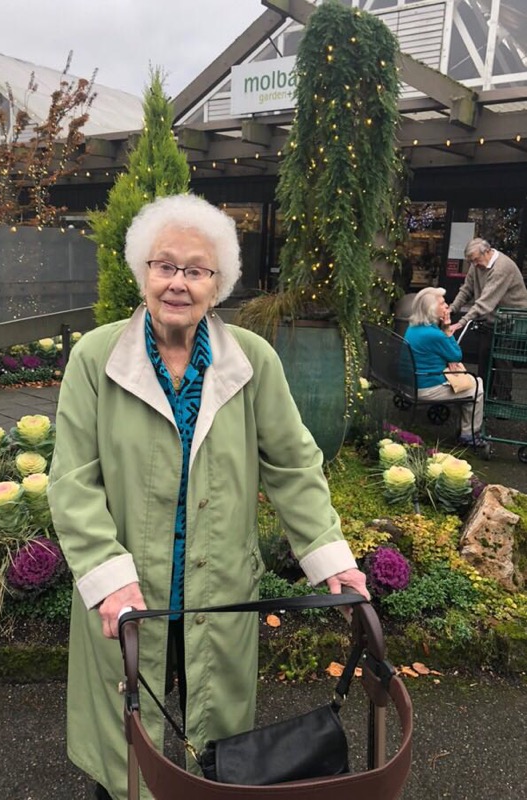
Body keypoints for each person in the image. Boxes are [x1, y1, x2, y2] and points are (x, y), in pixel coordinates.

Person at [47, 193, 369, 800]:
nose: (178, 283)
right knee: (126, 744)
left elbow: (294, 465)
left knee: (217, 748)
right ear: (141, 269)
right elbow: (73, 479)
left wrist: (332, 558)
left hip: (219, 588)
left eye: (196, 270)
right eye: (164, 265)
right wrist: (108, 577)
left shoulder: (251, 362)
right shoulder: (96, 358)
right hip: (129, 591)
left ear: (217, 285)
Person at [404, 286, 485, 446]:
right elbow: (456, 355)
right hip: (425, 387)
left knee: (469, 382)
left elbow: (444, 353)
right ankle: (469, 435)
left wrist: (448, 358)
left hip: (412, 382)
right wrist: (447, 326)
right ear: (431, 309)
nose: (447, 306)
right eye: (442, 303)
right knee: (477, 387)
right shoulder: (433, 334)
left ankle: (464, 427)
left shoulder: (414, 327)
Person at [448, 237, 527, 401]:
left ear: (488, 251)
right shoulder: (476, 264)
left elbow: (486, 302)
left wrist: (462, 322)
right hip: (493, 317)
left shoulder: (501, 268)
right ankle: (483, 394)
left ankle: (504, 399)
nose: (474, 264)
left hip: (512, 318)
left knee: (502, 358)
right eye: (471, 261)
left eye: (476, 260)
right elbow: (466, 289)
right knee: (484, 354)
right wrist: (451, 309)